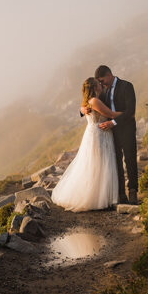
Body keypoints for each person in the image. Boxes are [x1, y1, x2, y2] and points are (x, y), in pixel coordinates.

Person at [52, 77, 122, 211]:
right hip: (99, 134)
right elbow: (110, 114)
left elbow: (86, 110)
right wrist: (127, 113)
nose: (101, 85)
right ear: (94, 88)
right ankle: (97, 197)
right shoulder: (95, 101)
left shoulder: (87, 102)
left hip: (95, 133)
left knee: (97, 164)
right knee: (100, 164)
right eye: (98, 84)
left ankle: (101, 196)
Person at [82, 65, 138, 204]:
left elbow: (130, 111)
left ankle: (132, 192)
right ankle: (120, 194)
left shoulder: (126, 86)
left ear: (109, 75)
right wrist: (82, 109)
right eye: (99, 82)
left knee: (130, 160)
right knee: (115, 162)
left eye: (102, 80)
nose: (101, 84)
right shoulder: (102, 91)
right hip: (109, 132)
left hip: (125, 128)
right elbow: (92, 101)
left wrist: (114, 122)